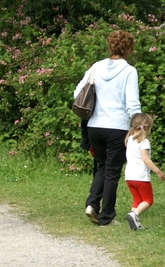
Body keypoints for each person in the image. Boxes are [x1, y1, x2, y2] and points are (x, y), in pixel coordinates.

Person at [74, 30, 141, 226]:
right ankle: (106, 216)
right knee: (112, 171)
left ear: (110, 47)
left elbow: (77, 93)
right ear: (129, 49)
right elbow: (133, 104)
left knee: (102, 167)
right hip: (117, 127)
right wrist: (138, 127)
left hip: (94, 126)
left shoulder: (97, 67)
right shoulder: (129, 71)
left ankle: (92, 204)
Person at [124, 113, 165, 230]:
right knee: (148, 200)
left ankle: (134, 222)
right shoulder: (144, 142)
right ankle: (134, 214)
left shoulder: (130, 139)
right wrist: (159, 172)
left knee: (137, 200)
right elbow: (146, 159)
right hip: (140, 177)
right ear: (146, 128)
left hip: (129, 176)